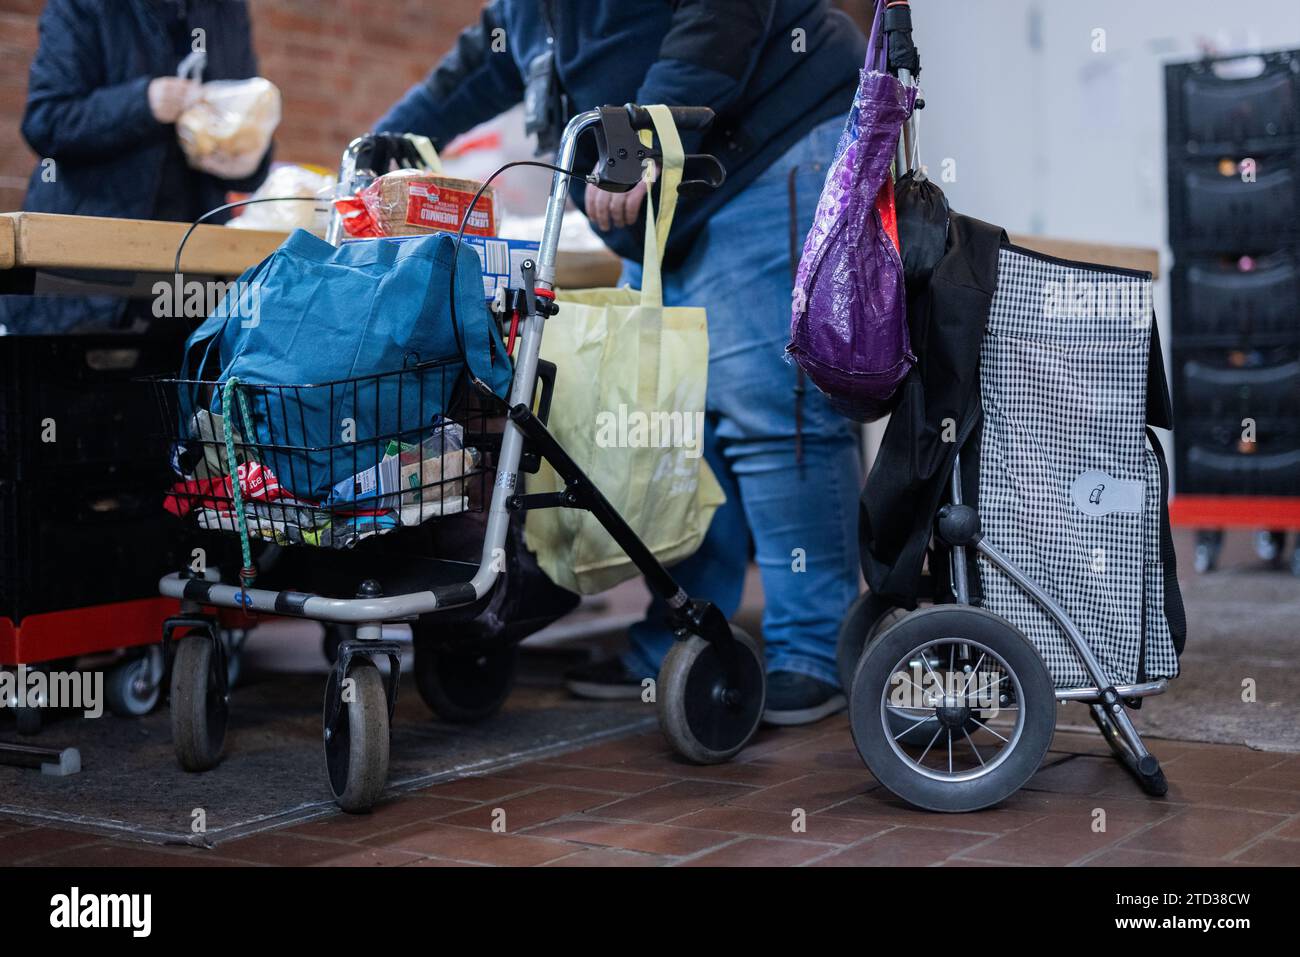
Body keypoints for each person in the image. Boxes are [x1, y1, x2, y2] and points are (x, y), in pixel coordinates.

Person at [379, 0, 866, 726]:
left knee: (768, 405)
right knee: (672, 415)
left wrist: (641, 130)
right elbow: (489, 58)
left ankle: (816, 648)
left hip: (770, 138)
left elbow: (720, 15)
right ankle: (689, 632)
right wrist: (389, 139)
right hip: (667, 177)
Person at [2, 0, 270, 333]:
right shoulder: (83, 6)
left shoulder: (226, 9)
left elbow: (247, 123)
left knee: (178, 380)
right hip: (85, 270)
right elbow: (46, 122)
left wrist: (248, 154)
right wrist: (143, 103)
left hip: (191, 275)